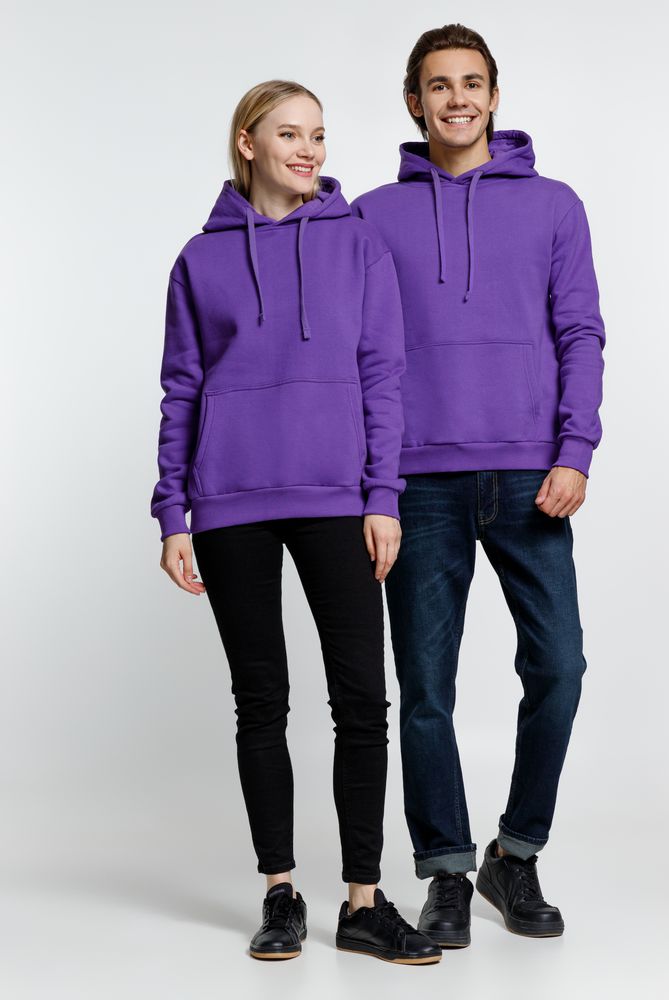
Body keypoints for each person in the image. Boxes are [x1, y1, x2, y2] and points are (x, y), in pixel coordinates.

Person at [150, 79, 441, 966]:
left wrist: (383, 496)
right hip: (231, 500)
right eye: (290, 134)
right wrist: (172, 511)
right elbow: (182, 390)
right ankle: (279, 892)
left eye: (318, 134)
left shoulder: (358, 243)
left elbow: (383, 373)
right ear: (248, 143)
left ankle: (363, 903)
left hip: (336, 497)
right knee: (260, 702)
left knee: (362, 699)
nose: (310, 149)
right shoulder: (200, 260)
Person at [352, 24, 606, 946]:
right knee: (426, 687)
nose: (456, 98)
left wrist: (575, 448)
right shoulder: (371, 215)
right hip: (418, 480)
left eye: (471, 83)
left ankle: (516, 852)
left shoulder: (554, 205)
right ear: (414, 102)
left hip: (532, 470)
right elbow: (358, 352)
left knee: (560, 667)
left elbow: (580, 332)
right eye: (438, 85)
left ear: (494, 96)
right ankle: (448, 870)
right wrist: (372, 485)